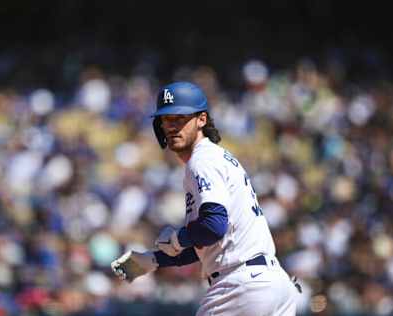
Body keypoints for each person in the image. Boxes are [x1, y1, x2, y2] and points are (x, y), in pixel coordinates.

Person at [111, 82, 299, 316]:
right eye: (167, 120)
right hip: (272, 285)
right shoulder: (216, 157)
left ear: (201, 120)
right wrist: (154, 260)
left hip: (240, 287)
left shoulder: (202, 160)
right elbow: (211, 243)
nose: (172, 126)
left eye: (180, 118)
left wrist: (178, 239)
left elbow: (213, 226)